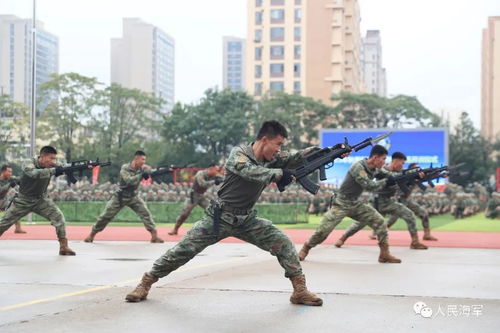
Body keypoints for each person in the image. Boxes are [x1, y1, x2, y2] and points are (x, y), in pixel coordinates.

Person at [125, 120, 342, 306]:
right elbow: (250, 172)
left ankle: (299, 291)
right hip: (219, 217)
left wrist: (327, 151)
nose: (279, 150)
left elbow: (295, 158)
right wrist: (279, 174)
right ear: (264, 139)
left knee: (283, 243)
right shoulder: (239, 155)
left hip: (246, 218)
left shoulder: (273, 158)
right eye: (277, 144)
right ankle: (145, 283)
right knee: (183, 251)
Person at [298, 145, 402, 263]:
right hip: (341, 203)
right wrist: (386, 181)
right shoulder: (358, 167)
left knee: (380, 222)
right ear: (375, 157)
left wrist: (409, 176)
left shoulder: (376, 169)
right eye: (383, 159)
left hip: (355, 203)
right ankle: (305, 248)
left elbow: (391, 176)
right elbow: (369, 186)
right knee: (323, 230)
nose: (384, 162)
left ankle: (384, 254)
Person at [338, 153, 428, 249]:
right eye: (402, 163)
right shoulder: (382, 170)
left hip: (388, 202)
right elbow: (375, 181)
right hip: (376, 201)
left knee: (409, 215)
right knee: (361, 223)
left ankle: (415, 242)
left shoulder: (399, 173)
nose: (402, 165)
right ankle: (343, 238)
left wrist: (418, 176)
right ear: (395, 161)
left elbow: (404, 177)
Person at [0, 146, 75, 255]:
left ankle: (63, 246)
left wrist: (84, 167)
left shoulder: (52, 165)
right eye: (51, 158)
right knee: (4, 223)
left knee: (58, 217)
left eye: (54, 159)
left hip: (41, 200)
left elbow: (64, 168)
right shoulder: (29, 163)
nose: (53, 161)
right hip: (23, 200)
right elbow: (33, 174)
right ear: (42, 157)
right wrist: (54, 170)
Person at [83, 151, 164, 243]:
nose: (144, 162)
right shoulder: (125, 168)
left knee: (146, 214)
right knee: (106, 216)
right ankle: (92, 235)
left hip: (133, 196)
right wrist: (141, 175)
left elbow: (151, 172)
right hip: (120, 196)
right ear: (136, 159)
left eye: (145, 160)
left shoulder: (142, 168)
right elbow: (128, 181)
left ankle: (154, 236)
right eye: (142, 159)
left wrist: (161, 171)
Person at [380, 162, 438, 241]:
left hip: (407, 199)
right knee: (393, 219)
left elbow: (427, 178)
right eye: (416, 169)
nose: (418, 170)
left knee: (423, 213)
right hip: (399, 200)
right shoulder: (405, 176)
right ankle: (378, 232)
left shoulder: (417, 177)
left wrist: (438, 174)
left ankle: (427, 234)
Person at [168, 163, 223, 235]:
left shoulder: (213, 176)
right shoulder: (200, 173)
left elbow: (222, 178)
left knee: (213, 210)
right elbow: (202, 184)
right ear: (211, 169)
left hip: (202, 196)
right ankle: (175, 229)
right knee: (185, 214)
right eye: (216, 170)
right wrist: (214, 182)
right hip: (194, 195)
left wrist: (221, 180)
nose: (217, 172)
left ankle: (216, 230)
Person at [0, 165, 26, 233]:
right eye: (9, 171)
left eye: (11, 172)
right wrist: (10, 185)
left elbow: (18, 182)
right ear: (3, 172)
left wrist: (20, 182)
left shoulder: (10, 179)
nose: (10, 173)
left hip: (4, 201)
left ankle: (18, 228)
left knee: (15, 208)